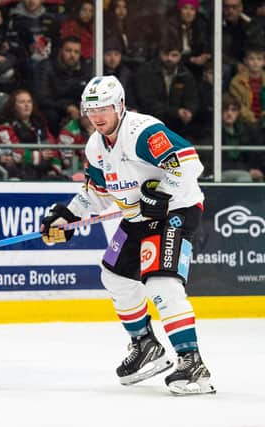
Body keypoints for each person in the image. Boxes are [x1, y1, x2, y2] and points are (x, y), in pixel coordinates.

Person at [41, 75, 215, 395]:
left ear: (120, 105)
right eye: (90, 109)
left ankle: (192, 362)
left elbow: (190, 162)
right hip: (138, 217)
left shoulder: (140, 132)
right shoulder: (96, 145)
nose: (97, 116)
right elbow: (96, 192)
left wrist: (162, 193)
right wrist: (67, 216)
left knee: (162, 282)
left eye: (104, 108)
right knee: (115, 276)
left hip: (175, 211)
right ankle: (145, 344)